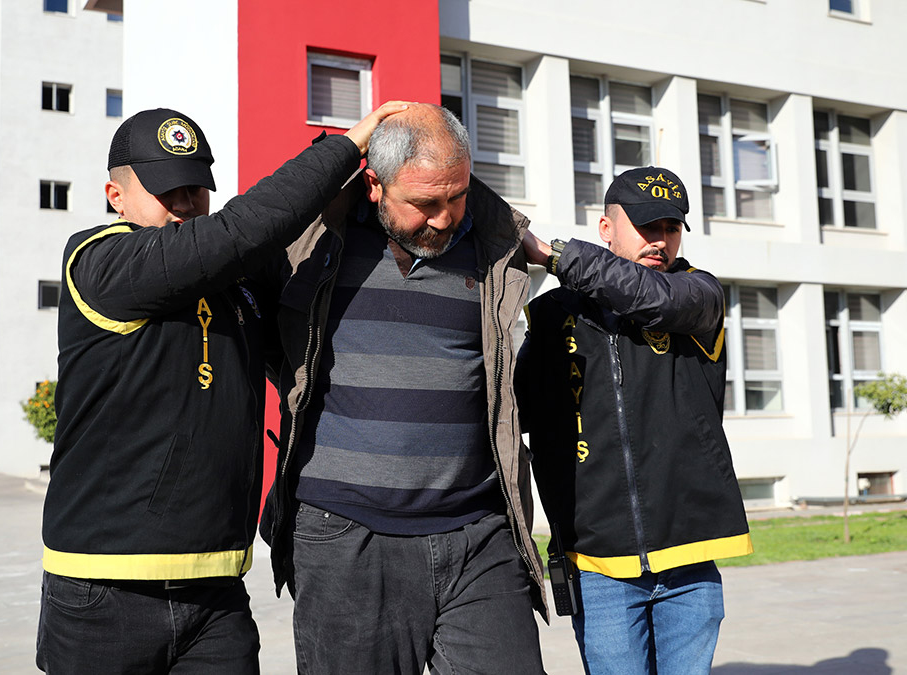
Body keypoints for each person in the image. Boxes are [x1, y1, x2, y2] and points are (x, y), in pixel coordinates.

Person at [37, 102, 408, 674]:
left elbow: (300, 300)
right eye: (168, 192)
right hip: (104, 589)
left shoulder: (236, 285)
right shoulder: (98, 262)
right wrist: (344, 147)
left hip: (216, 592)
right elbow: (245, 228)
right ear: (116, 197)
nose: (186, 206)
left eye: (196, 190)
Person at [260, 103, 547, 674]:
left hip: (480, 536)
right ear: (373, 184)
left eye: (457, 196)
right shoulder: (310, 246)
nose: (445, 219)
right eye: (424, 204)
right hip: (346, 540)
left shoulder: (492, 247)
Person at [517, 167, 753, 674]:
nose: (659, 240)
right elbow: (519, 409)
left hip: (691, 554)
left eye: (669, 227)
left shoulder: (698, 295)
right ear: (606, 228)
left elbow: (653, 298)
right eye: (645, 226)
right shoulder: (553, 313)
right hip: (599, 562)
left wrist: (555, 254)